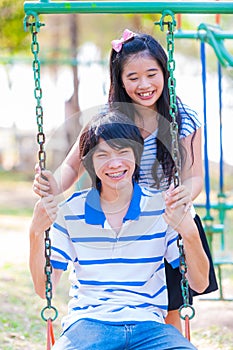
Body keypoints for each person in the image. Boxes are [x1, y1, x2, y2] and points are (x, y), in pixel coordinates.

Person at [33, 29, 218, 331]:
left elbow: (194, 176)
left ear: (164, 73)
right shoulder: (107, 119)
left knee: (171, 307)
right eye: (133, 78)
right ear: (119, 80)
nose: (144, 85)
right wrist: (53, 184)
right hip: (122, 214)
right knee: (121, 293)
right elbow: (71, 165)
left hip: (167, 217)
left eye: (151, 74)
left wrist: (184, 195)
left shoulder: (184, 118)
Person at [30, 110, 209, 350]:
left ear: (136, 154)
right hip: (88, 325)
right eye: (102, 155)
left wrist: (190, 233)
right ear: (89, 161)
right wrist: (35, 233)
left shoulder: (161, 208)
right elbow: (44, 289)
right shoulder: (70, 211)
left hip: (150, 327)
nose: (114, 163)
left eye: (123, 151)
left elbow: (198, 283)